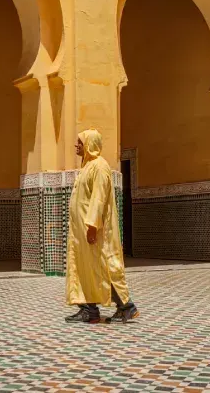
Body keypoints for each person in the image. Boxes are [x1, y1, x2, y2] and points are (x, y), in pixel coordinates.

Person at [65, 129, 139, 324]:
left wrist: (92, 227)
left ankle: (126, 307)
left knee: (105, 267)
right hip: (82, 232)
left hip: (94, 231)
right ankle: (89, 310)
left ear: (90, 144)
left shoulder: (100, 166)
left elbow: (98, 199)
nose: (76, 146)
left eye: (80, 142)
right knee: (87, 269)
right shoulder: (87, 167)